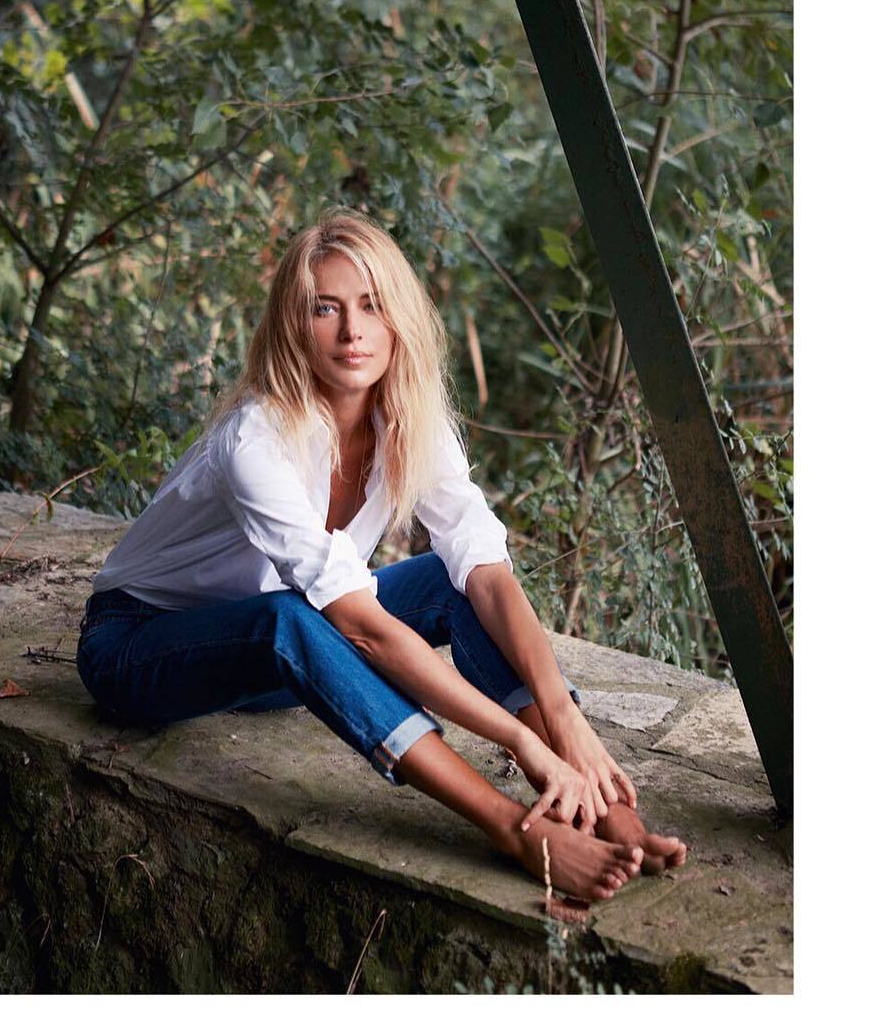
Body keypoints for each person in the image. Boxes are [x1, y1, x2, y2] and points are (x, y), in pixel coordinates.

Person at [77, 207, 686, 904]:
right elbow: (360, 628)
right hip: (140, 648)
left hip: (281, 651)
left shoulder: (410, 421)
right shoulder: (255, 441)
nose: (352, 331)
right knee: (287, 618)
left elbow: (486, 573)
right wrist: (521, 743)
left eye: (371, 305)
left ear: (399, 318)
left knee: (449, 580)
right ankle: (515, 829)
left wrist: (562, 716)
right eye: (326, 308)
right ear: (293, 325)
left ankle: (608, 814)